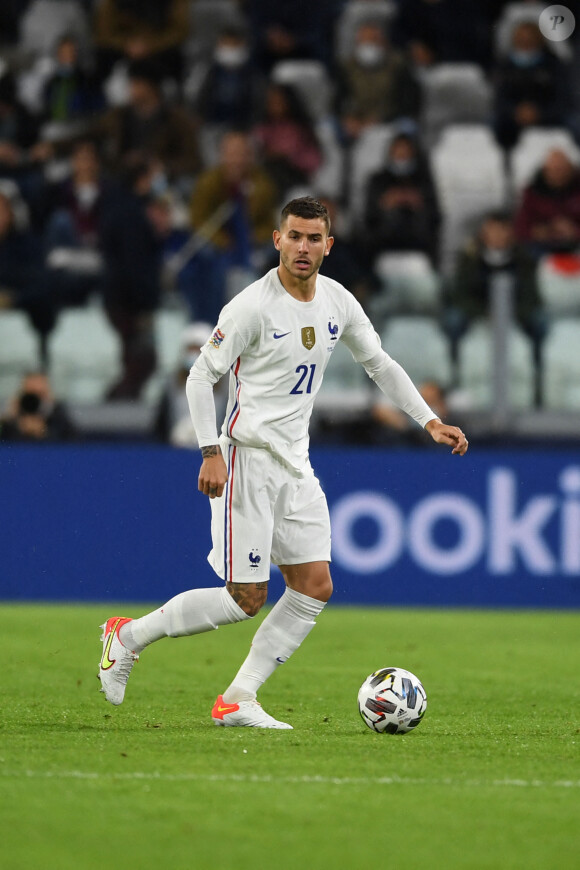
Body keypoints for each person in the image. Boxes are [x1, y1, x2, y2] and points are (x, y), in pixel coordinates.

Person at [98, 196, 468, 728]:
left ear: (328, 245)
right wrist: (211, 450)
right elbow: (201, 377)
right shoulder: (251, 306)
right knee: (245, 598)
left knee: (314, 584)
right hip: (245, 459)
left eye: (314, 238)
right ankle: (126, 636)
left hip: (296, 463)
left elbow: (379, 364)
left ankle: (238, 698)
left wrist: (429, 420)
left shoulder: (338, 302)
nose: (303, 247)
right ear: (277, 240)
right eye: (294, 236)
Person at [492, 21, 574, 150]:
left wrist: (540, 114)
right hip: (514, 118)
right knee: (494, 122)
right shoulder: (506, 67)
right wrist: (516, 112)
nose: (525, 46)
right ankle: (505, 164)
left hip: (550, 116)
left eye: (529, 42)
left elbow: (564, 100)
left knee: (575, 122)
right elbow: (499, 100)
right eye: (521, 42)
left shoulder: (554, 66)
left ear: (539, 42)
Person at [514, 149, 580, 259]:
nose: (558, 174)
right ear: (545, 171)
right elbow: (520, 227)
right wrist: (541, 231)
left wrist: (574, 231)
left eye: (562, 169)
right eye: (554, 170)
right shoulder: (533, 193)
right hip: (543, 248)